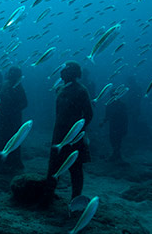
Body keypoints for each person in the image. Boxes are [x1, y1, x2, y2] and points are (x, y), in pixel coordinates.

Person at [47, 61, 93, 198]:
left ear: (73, 73)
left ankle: (75, 198)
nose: (62, 72)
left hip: (74, 136)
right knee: (54, 165)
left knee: (75, 167)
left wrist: (78, 131)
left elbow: (89, 114)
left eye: (65, 70)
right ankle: (48, 195)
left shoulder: (81, 90)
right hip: (59, 134)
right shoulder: (60, 89)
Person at [0, 66, 28, 171]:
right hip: (2, 117)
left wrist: (13, 110)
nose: (10, 75)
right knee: (1, 137)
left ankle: (14, 161)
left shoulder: (18, 86)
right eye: (10, 72)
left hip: (13, 119)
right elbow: (0, 98)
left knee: (14, 138)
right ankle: (0, 159)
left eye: (13, 73)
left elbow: (25, 103)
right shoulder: (5, 84)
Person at [102, 97, 129, 162]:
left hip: (119, 125)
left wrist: (125, 127)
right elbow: (107, 116)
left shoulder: (122, 105)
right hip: (113, 125)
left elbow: (125, 117)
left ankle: (116, 154)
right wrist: (103, 122)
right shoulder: (110, 104)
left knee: (118, 140)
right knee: (113, 139)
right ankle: (116, 154)